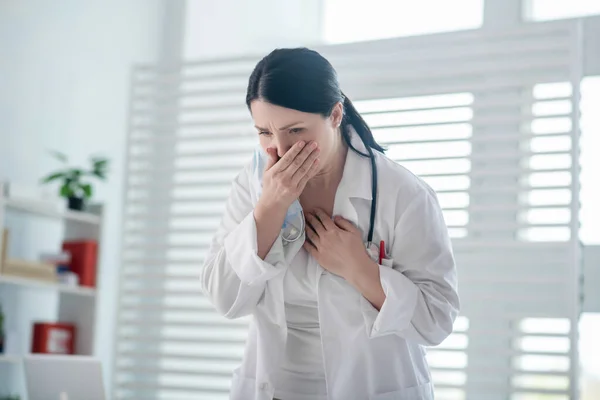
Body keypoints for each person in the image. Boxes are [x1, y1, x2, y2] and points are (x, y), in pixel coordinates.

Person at [201, 47, 460, 400]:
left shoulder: (404, 193)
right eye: (264, 132)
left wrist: (357, 268)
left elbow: (436, 320)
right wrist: (269, 207)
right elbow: (225, 298)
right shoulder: (253, 182)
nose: (281, 148)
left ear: (335, 115)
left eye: (296, 130)